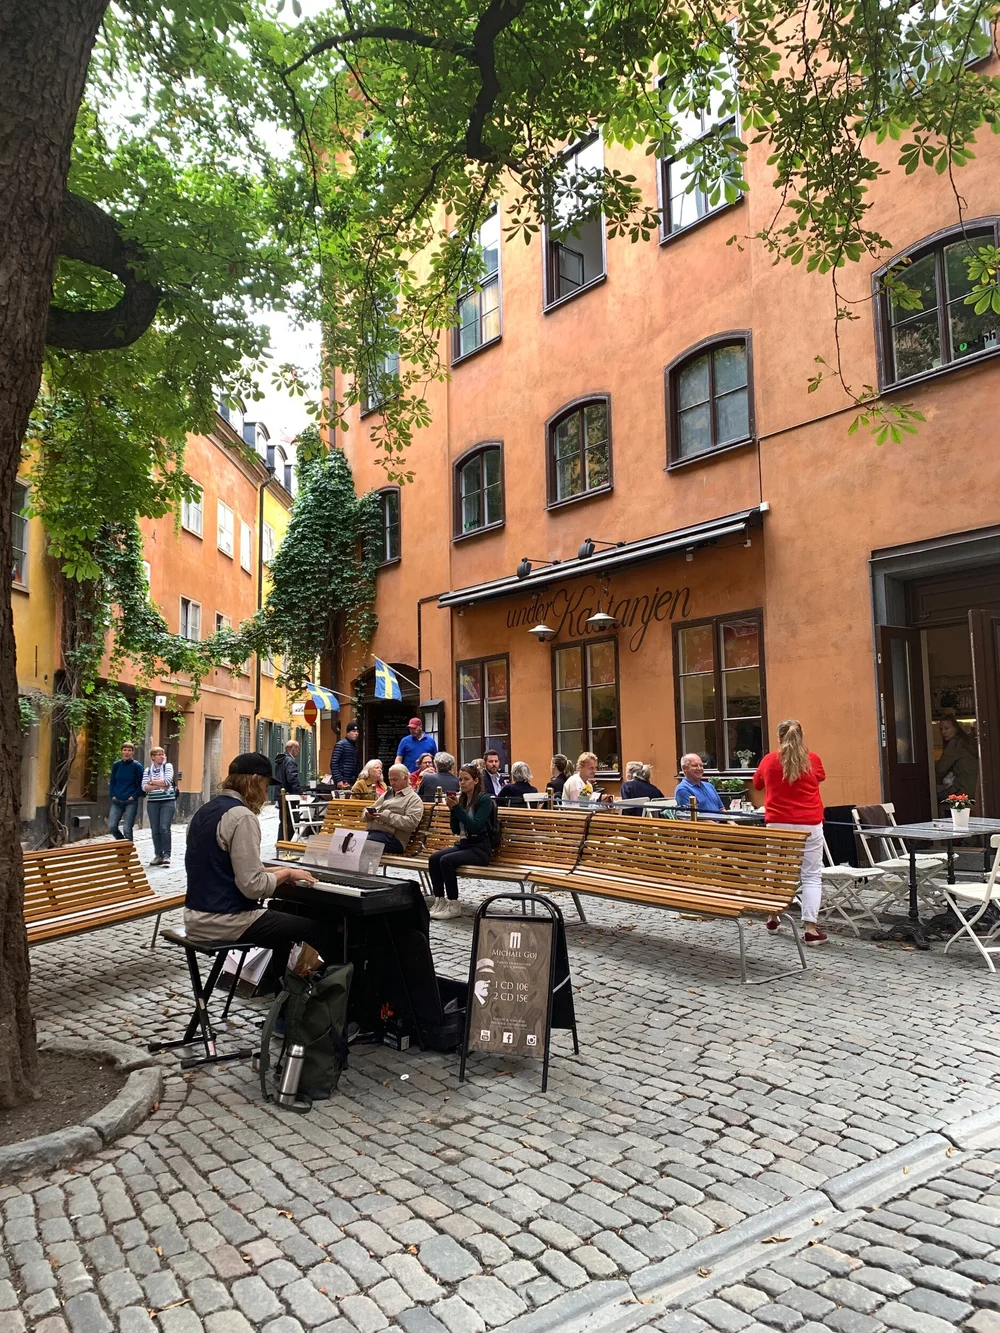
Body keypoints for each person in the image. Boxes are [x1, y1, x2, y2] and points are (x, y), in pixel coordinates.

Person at [182, 752, 330, 992]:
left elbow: (223, 864)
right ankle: (318, 1007)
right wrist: (286, 875)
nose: (265, 792)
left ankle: (282, 1004)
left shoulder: (204, 811)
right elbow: (254, 887)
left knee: (283, 932)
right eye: (265, 783)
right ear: (253, 780)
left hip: (195, 916)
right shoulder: (242, 817)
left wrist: (283, 869)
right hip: (226, 920)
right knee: (318, 931)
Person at [752, 719, 828, 946]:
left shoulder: (768, 761)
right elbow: (820, 778)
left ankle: (773, 917)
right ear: (801, 737)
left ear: (778, 738)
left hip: (778, 824)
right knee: (811, 875)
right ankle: (810, 929)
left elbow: (757, 784)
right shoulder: (812, 759)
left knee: (775, 871)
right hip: (809, 822)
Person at [428, 764, 495, 919]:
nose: (462, 783)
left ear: (476, 780)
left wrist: (457, 809)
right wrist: (452, 810)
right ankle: (439, 900)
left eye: (466, 779)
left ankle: (454, 904)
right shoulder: (463, 799)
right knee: (434, 858)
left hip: (480, 848)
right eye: (460, 779)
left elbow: (475, 826)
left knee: (446, 860)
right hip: (465, 845)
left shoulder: (484, 800)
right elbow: (456, 830)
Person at [363, 763, 425, 854]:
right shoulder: (388, 793)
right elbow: (372, 808)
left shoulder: (413, 799)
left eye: (395, 780)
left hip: (394, 839)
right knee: (349, 839)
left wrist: (387, 817)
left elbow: (411, 823)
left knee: (362, 843)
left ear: (406, 778)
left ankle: (360, 868)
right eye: (390, 780)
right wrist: (367, 814)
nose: (392, 783)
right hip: (374, 834)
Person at [143, 747, 177, 866]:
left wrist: (152, 782)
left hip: (167, 801)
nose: (161, 756)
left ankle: (167, 855)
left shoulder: (167, 767)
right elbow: (144, 787)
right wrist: (158, 784)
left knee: (164, 827)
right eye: (158, 754)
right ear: (152, 757)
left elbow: (167, 782)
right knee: (155, 829)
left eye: (163, 754)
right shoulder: (147, 770)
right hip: (152, 802)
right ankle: (158, 855)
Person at [936, 715, 979, 804]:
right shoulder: (965, 741)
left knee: (930, 797)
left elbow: (940, 768)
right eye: (941, 729)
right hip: (975, 789)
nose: (943, 732)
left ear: (955, 729)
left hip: (964, 791)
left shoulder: (954, 744)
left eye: (947, 728)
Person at [108, 742, 144, 841]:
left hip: (130, 802)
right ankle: (122, 844)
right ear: (121, 751)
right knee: (112, 826)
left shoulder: (137, 766)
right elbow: (113, 781)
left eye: (129, 750)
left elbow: (142, 784)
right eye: (124, 750)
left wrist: (134, 796)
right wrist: (112, 795)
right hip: (117, 800)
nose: (126, 752)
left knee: (127, 828)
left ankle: (127, 852)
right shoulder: (117, 765)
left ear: (133, 752)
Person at [274, 739, 302, 841]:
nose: (298, 752)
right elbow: (292, 778)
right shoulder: (289, 761)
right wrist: (299, 792)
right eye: (297, 749)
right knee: (292, 820)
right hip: (288, 795)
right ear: (293, 748)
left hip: (281, 794)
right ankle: (285, 843)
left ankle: (281, 842)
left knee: (284, 820)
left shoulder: (281, 760)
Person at [330, 723, 361, 790]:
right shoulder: (341, 745)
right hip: (343, 780)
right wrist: (338, 779)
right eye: (353, 731)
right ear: (347, 733)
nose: (356, 733)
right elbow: (334, 763)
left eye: (357, 731)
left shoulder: (354, 746)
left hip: (352, 780)